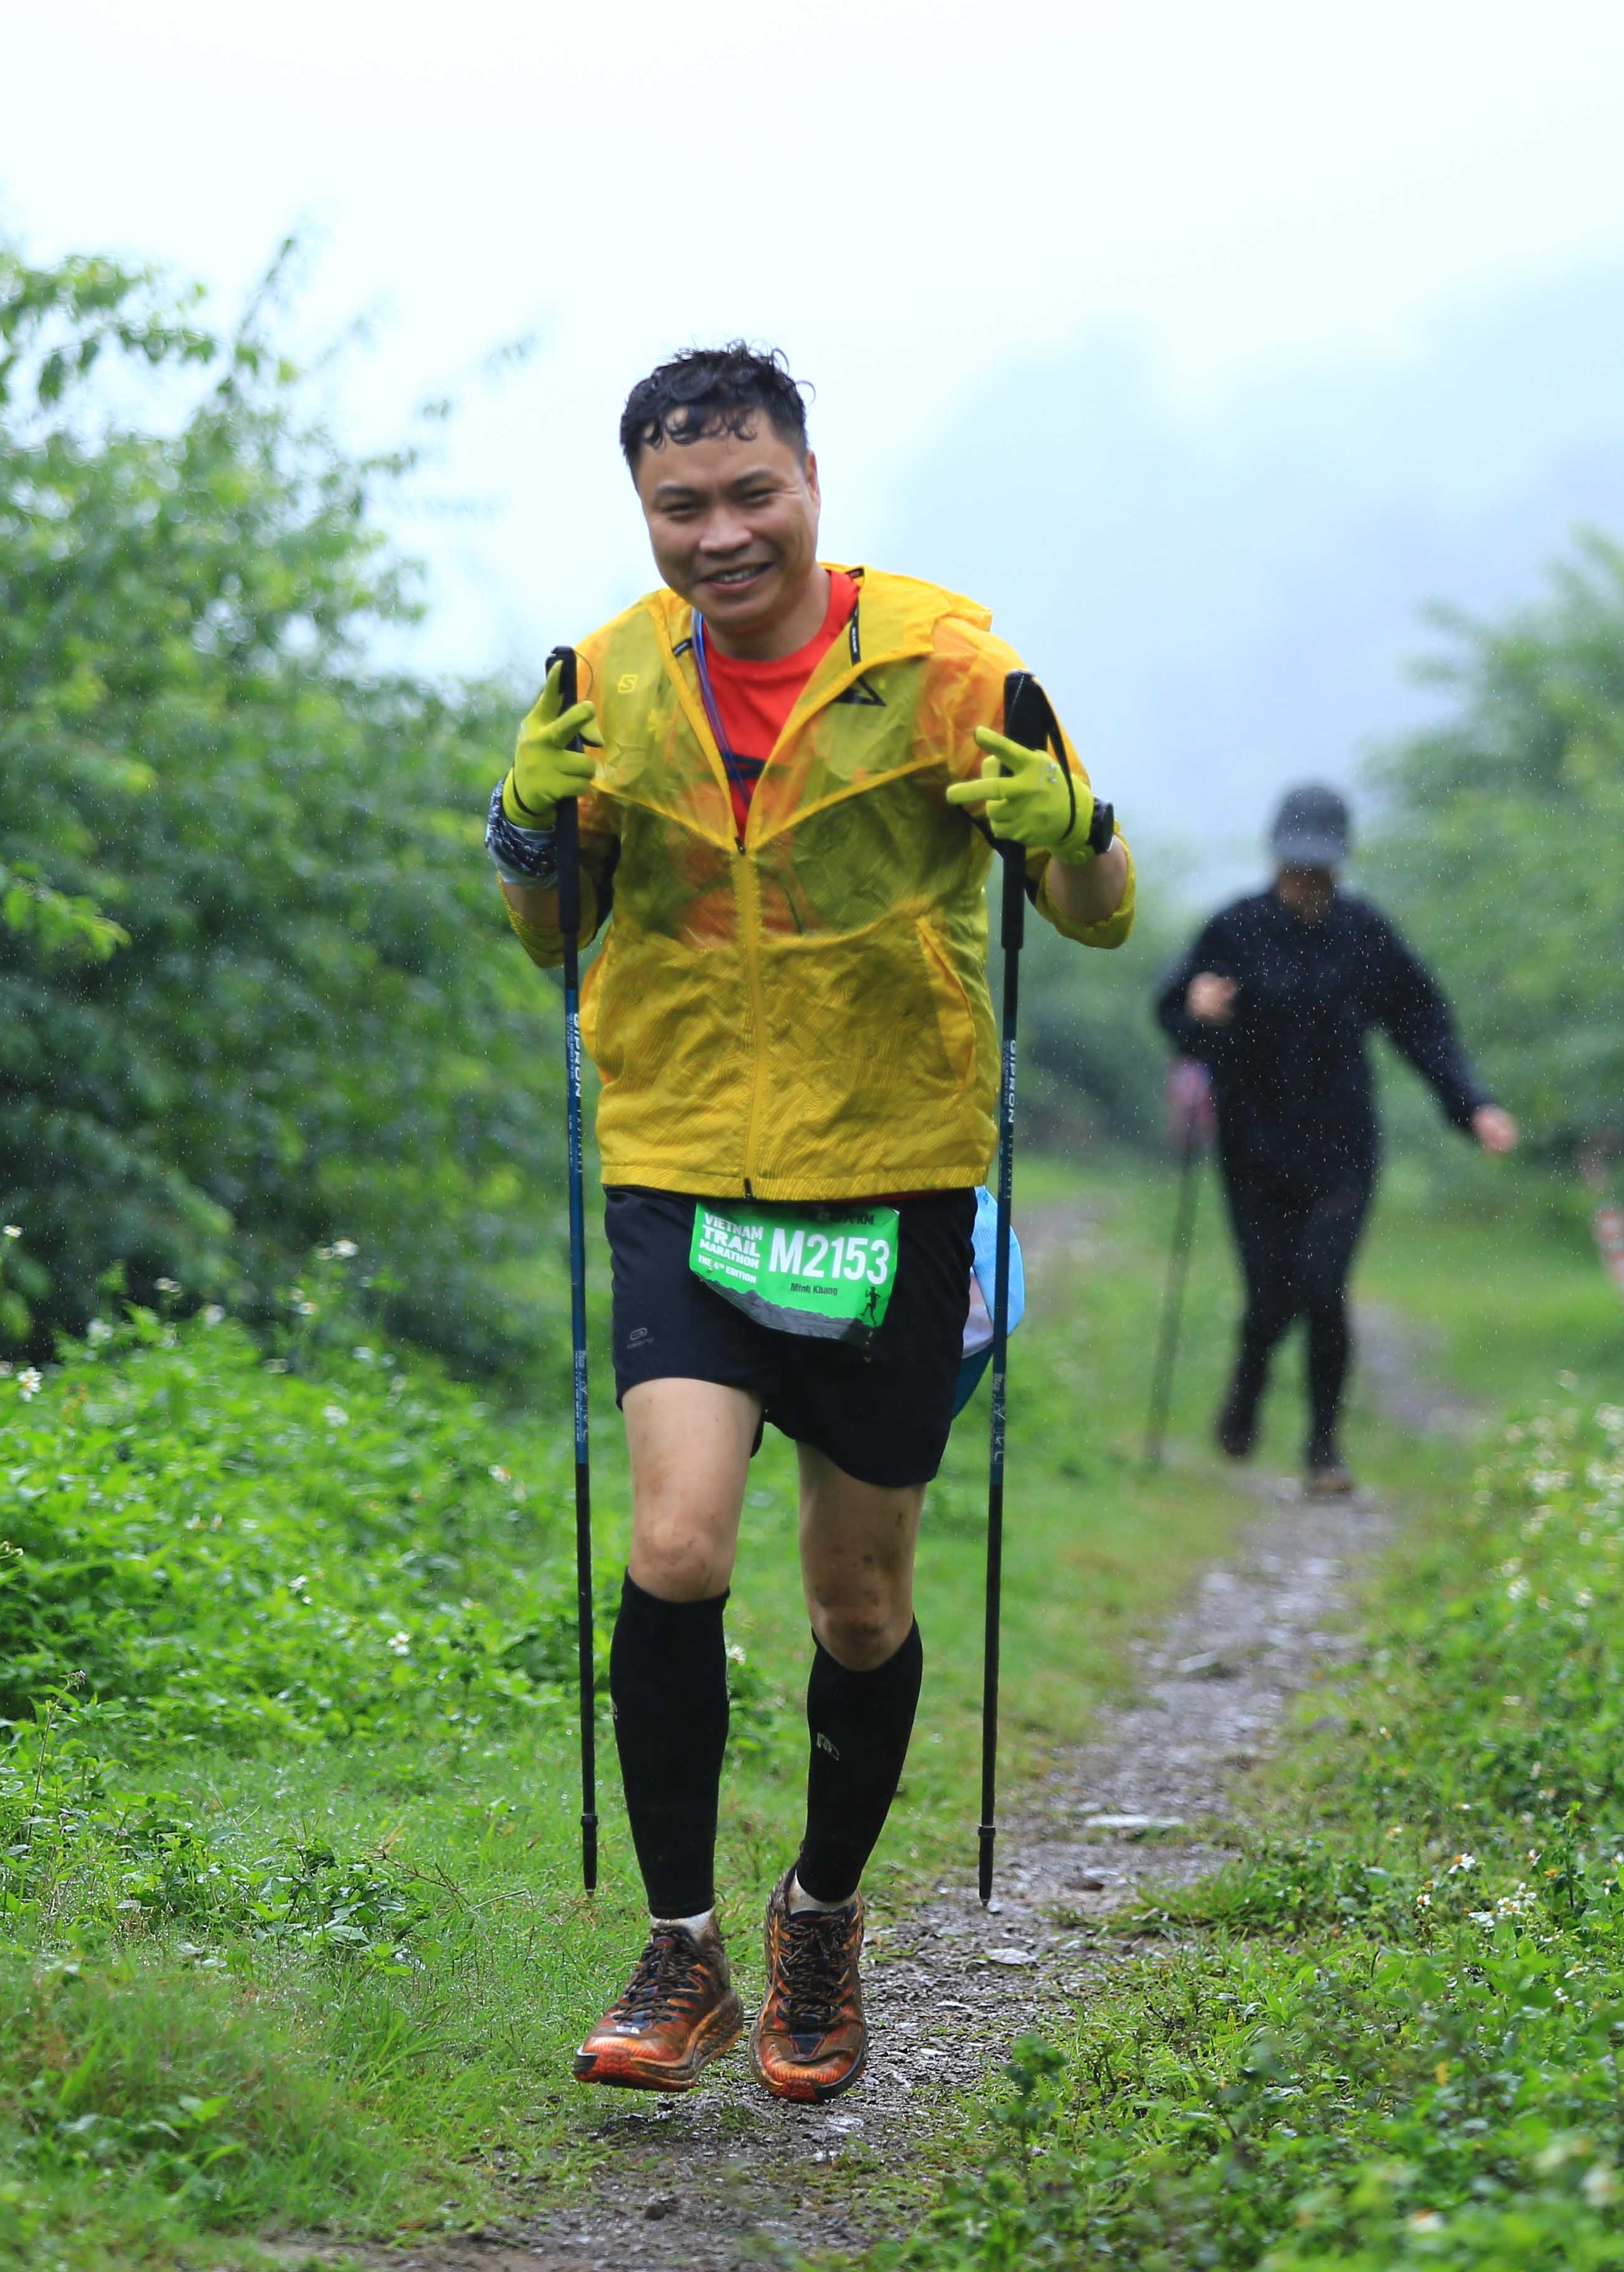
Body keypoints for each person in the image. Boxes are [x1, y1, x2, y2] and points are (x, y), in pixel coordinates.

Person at [483, 344, 1136, 2104]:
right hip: (685, 1157)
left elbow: (1092, 908)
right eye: (679, 506)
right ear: (644, 513)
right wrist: (527, 824)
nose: (719, 534)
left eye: (748, 493)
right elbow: (553, 938)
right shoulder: (603, 683)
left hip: (891, 1172)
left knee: (858, 1602)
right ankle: (681, 1950)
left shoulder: (950, 669)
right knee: (676, 1544)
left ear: (810, 485)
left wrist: (1071, 822)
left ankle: (820, 1917)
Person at [1154, 783, 1514, 1497]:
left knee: (1323, 1286)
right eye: (1296, 869)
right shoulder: (1233, 929)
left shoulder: (1365, 935)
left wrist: (1473, 1105)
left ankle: (1323, 1450)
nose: (1307, 883)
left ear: (1339, 867)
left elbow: (1422, 1024)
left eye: (1319, 871)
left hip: (1343, 1147)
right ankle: (1248, 1385)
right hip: (1253, 1148)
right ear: (1276, 862)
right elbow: (1175, 1019)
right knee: (1269, 1295)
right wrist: (1196, 1010)